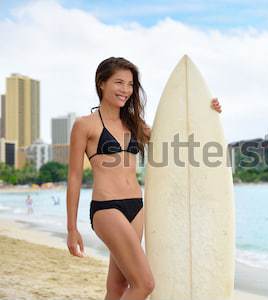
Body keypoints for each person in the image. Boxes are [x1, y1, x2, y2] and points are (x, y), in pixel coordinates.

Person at [65, 57, 222, 300]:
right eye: (119, 82)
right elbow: (74, 177)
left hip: (136, 209)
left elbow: (177, 137)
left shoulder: (135, 124)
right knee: (145, 284)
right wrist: (72, 228)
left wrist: (206, 110)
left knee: (117, 287)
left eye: (130, 84)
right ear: (101, 83)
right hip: (107, 209)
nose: (125, 90)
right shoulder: (84, 125)